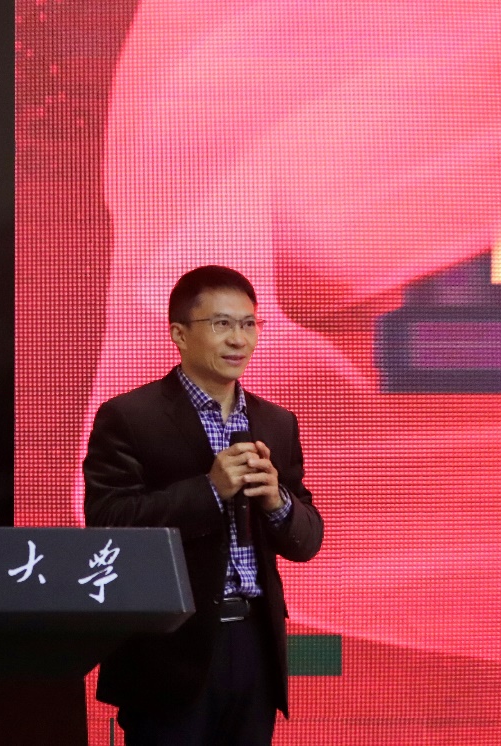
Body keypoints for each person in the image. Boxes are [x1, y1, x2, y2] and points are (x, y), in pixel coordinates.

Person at [83, 265, 324, 745]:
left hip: (254, 645)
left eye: (249, 324)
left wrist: (277, 501)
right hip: (168, 651)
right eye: (221, 324)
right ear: (179, 334)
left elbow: (307, 539)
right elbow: (109, 524)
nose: (239, 339)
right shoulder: (130, 417)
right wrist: (209, 490)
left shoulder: (277, 423)